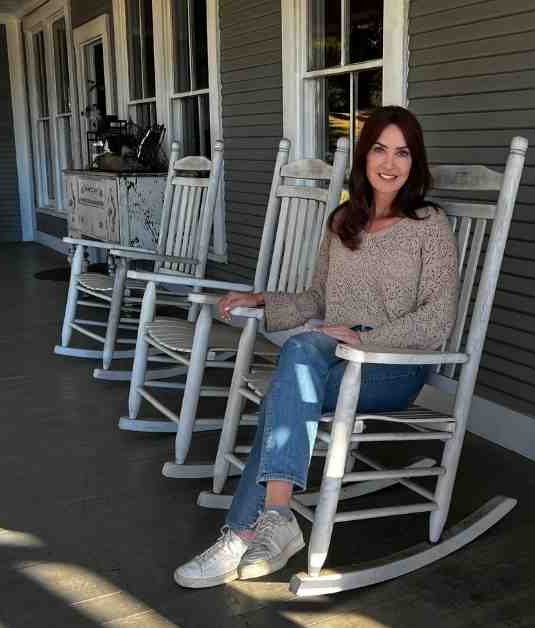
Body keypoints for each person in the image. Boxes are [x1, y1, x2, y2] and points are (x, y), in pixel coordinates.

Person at [173, 106, 459, 589]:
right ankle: (270, 522)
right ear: (364, 156)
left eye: (403, 152)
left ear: (416, 161)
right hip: (331, 353)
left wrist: (366, 337)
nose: (390, 163)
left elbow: (437, 319)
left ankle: (244, 531)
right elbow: (317, 299)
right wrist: (263, 299)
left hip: (393, 363)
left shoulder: (430, 225)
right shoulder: (344, 221)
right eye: (379, 150)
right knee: (298, 367)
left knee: (288, 384)